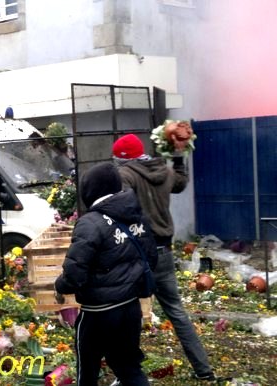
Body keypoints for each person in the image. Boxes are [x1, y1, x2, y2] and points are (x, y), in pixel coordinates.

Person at [112, 133, 216, 381]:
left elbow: (121, 206)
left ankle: (126, 373)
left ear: (124, 159)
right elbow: (179, 183)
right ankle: (204, 370)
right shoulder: (162, 169)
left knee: (127, 314)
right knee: (176, 312)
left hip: (138, 255)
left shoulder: (126, 175)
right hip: (164, 253)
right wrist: (179, 157)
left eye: (116, 159)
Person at [55, 162, 158, 386]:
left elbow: (74, 274)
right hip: (130, 308)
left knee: (88, 370)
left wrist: (60, 286)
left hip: (98, 313)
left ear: (90, 190)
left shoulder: (90, 223)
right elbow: (151, 257)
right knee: (128, 367)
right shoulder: (136, 216)